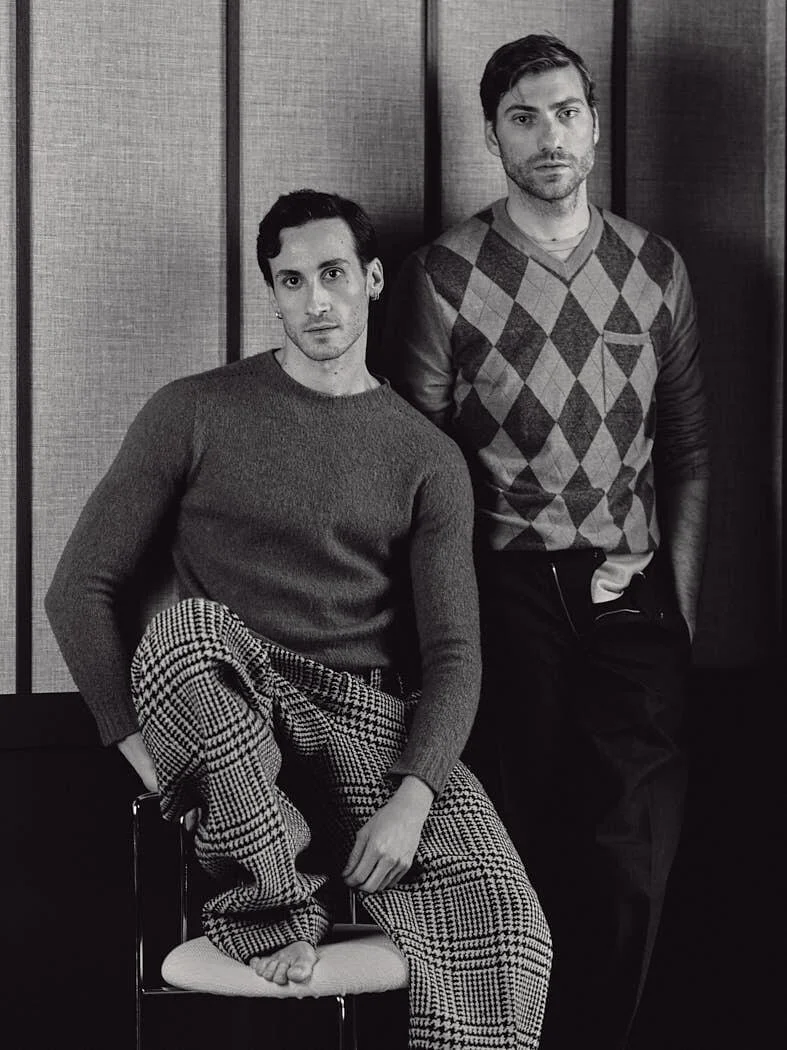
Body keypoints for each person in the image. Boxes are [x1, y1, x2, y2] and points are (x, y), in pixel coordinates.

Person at [45, 189, 551, 1049]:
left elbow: (455, 655)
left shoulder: (426, 458)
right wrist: (150, 764)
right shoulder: (194, 410)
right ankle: (272, 912)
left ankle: (324, 902)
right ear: (272, 292)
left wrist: (412, 799)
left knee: (512, 927)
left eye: (333, 274)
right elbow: (77, 590)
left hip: (362, 720)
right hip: (230, 706)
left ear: (372, 279)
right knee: (187, 632)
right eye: (291, 281)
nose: (316, 301)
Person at [384, 35, 709, 1050]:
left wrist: (678, 606)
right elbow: (416, 472)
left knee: (631, 852)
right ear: (492, 136)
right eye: (522, 118)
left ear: (595, 124)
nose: (549, 136)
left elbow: (689, 451)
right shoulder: (443, 274)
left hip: (629, 588)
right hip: (503, 590)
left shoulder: (655, 268)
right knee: (517, 847)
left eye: (567, 112)